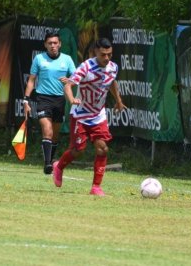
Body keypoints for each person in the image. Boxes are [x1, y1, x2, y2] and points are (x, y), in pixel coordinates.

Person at [53, 38, 126, 196]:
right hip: (80, 115)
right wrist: (72, 99)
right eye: (103, 55)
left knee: (103, 148)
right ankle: (59, 166)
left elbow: (111, 82)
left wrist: (119, 101)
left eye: (109, 54)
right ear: (95, 53)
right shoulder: (86, 67)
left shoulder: (113, 67)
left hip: (98, 115)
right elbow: (68, 85)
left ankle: (96, 187)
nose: (107, 58)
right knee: (78, 150)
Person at [23, 32, 76, 174]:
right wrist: (26, 100)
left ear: (60, 44)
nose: (53, 46)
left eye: (55, 43)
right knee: (47, 130)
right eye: (50, 43)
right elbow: (32, 80)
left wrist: (69, 80)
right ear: (45, 45)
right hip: (43, 98)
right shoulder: (39, 59)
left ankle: (51, 160)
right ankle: (47, 164)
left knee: (55, 135)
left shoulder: (67, 59)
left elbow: (77, 78)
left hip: (59, 100)